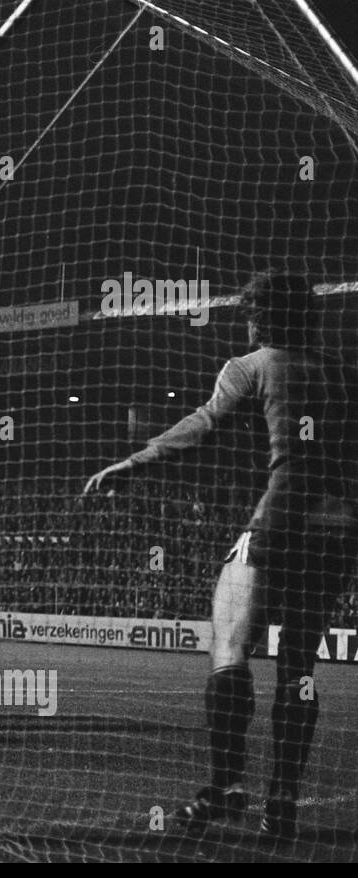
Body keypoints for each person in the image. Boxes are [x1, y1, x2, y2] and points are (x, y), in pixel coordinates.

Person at [84, 270, 358, 843]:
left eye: (251, 311)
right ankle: (281, 803)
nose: (249, 320)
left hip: (281, 516)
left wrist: (136, 461)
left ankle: (228, 786)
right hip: (340, 528)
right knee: (299, 669)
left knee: (230, 645)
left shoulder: (251, 366)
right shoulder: (345, 373)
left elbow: (206, 425)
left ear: (261, 316)